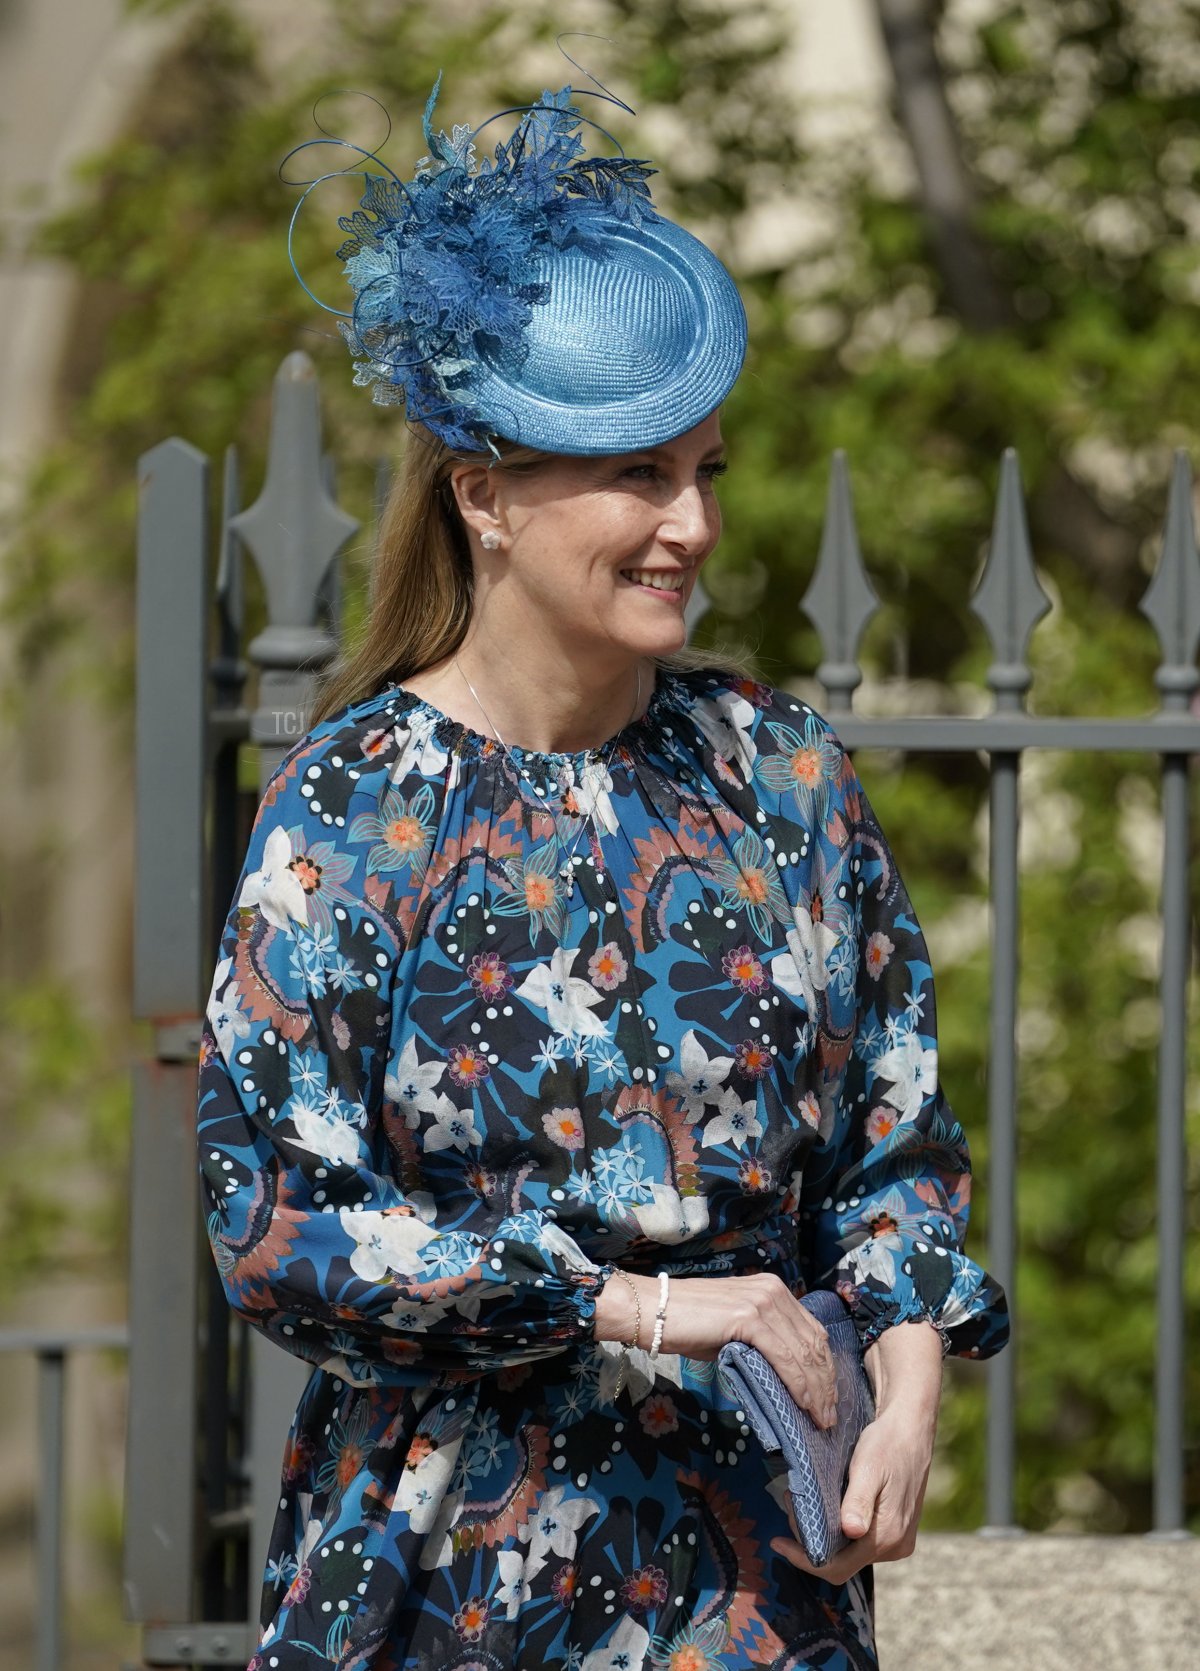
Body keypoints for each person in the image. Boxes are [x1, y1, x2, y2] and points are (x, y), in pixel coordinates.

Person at [196, 69, 1009, 1671]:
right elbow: (277, 1228)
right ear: (484, 495)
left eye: (705, 467)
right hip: (443, 1579)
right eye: (638, 473)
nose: (690, 523)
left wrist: (908, 1367)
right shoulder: (353, 811)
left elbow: (894, 1147)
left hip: (759, 1588)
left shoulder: (778, 776)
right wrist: (640, 1304)